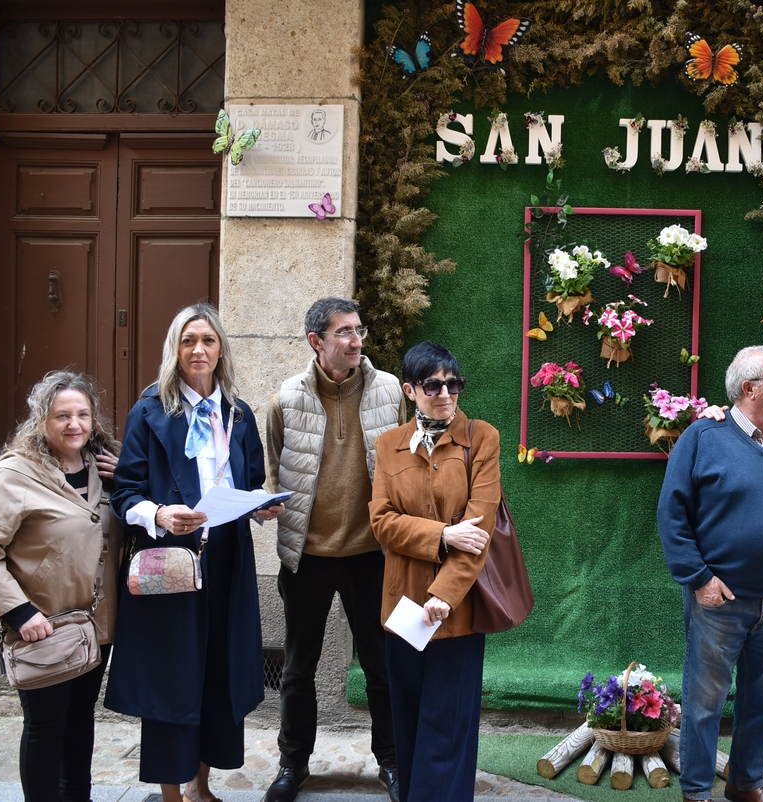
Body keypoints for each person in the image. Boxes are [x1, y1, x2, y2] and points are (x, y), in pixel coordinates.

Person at [104, 303, 283, 802]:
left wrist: (259, 508)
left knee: (218, 672)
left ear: (220, 347)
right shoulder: (150, 411)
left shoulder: (238, 413)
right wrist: (159, 514)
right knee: (171, 676)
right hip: (170, 561)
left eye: (207, 340)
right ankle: (170, 795)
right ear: (175, 350)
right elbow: (125, 494)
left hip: (227, 560)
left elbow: (249, 484)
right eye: (188, 341)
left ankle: (202, 786)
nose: (198, 349)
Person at [657, 345, 763, 802]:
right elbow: (672, 515)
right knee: (705, 705)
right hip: (718, 601)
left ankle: (745, 785)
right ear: (750, 389)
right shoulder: (702, 438)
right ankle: (698, 792)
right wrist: (699, 578)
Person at [264, 297, 404, 802]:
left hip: (372, 554)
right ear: (316, 341)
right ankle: (291, 764)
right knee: (299, 669)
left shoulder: (390, 391)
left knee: (381, 665)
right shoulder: (285, 399)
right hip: (308, 556)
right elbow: (274, 466)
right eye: (343, 331)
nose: (355, 339)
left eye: (358, 329)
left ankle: (392, 763)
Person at [0, 370, 120, 802]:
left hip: (94, 625)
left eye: (83, 414)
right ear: (41, 421)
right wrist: (18, 612)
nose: (75, 425)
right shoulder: (15, 474)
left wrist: (126, 481)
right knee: (46, 727)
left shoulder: (104, 466)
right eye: (62, 415)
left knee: (81, 719)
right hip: (42, 626)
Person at [369, 342, 498, 802]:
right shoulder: (388, 444)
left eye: (453, 384)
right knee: (406, 715)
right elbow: (381, 521)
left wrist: (445, 593)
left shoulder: (482, 439)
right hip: (401, 606)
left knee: (449, 722)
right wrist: (444, 535)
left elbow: (479, 526)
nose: (445, 394)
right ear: (409, 390)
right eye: (432, 385)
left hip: (455, 608)